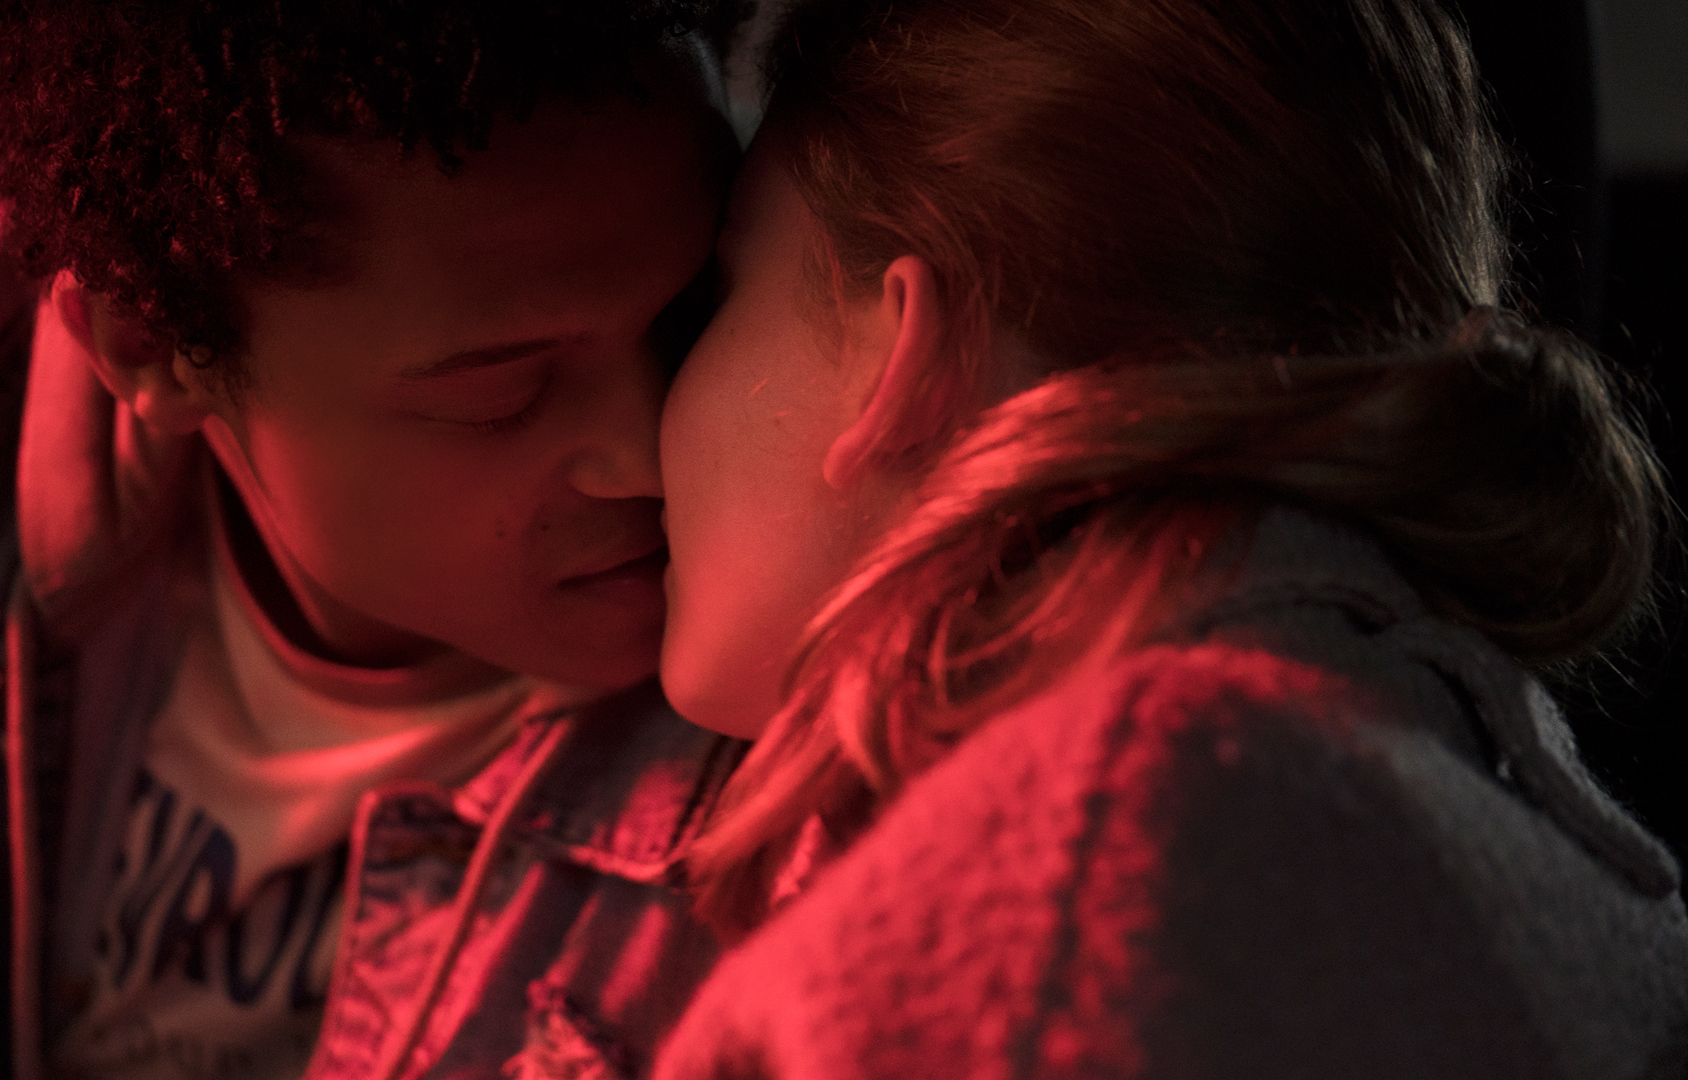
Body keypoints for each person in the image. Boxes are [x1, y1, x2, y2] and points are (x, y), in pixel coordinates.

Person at [650, 0, 1688, 1076]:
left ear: (898, 350)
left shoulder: (1075, 895)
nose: (642, 423)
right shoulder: (1465, 787)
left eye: (714, 299)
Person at [0, 1, 748, 1077]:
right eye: (502, 395)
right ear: (152, 345)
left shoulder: (824, 637)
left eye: (696, 314)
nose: (651, 456)